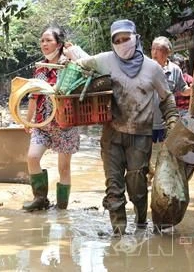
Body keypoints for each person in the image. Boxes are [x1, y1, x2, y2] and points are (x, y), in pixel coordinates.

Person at [75, 20, 179, 235]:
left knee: (137, 187)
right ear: (112, 42)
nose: (122, 44)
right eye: (117, 40)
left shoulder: (152, 68)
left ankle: (141, 223)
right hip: (111, 134)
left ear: (136, 38)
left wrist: (172, 122)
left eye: (126, 39)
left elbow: (166, 98)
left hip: (141, 136)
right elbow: (78, 67)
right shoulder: (104, 60)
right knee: (114, 187)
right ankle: (119, 234)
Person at [22, 25, 80, 212]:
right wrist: (28, 120)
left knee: (63, 168)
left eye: (49, 40)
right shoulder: (40, 69)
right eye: (42, 41)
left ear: (59, 43)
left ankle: (62, 208)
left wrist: (73, 53)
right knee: (32, 157)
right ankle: (40, 199)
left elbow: (87, 67)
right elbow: (33, 96)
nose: (44, 44)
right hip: (42, 124)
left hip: (65, 125)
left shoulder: (69, 65)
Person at [150, 37, 194, 144]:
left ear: (168, 52)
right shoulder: (144, 68)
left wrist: (192, 90)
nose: (154, 52)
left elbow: (183, 90)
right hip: (146, 123)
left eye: (159, 49)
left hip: (167, 122)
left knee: (166, 153)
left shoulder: (175, 70)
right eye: (153, 49)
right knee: (145, 155)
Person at [171, 53, 194, 120]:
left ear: (182, 66)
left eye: (177, 65)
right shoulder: (169, 79)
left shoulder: (189, 79)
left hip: (186, 111)